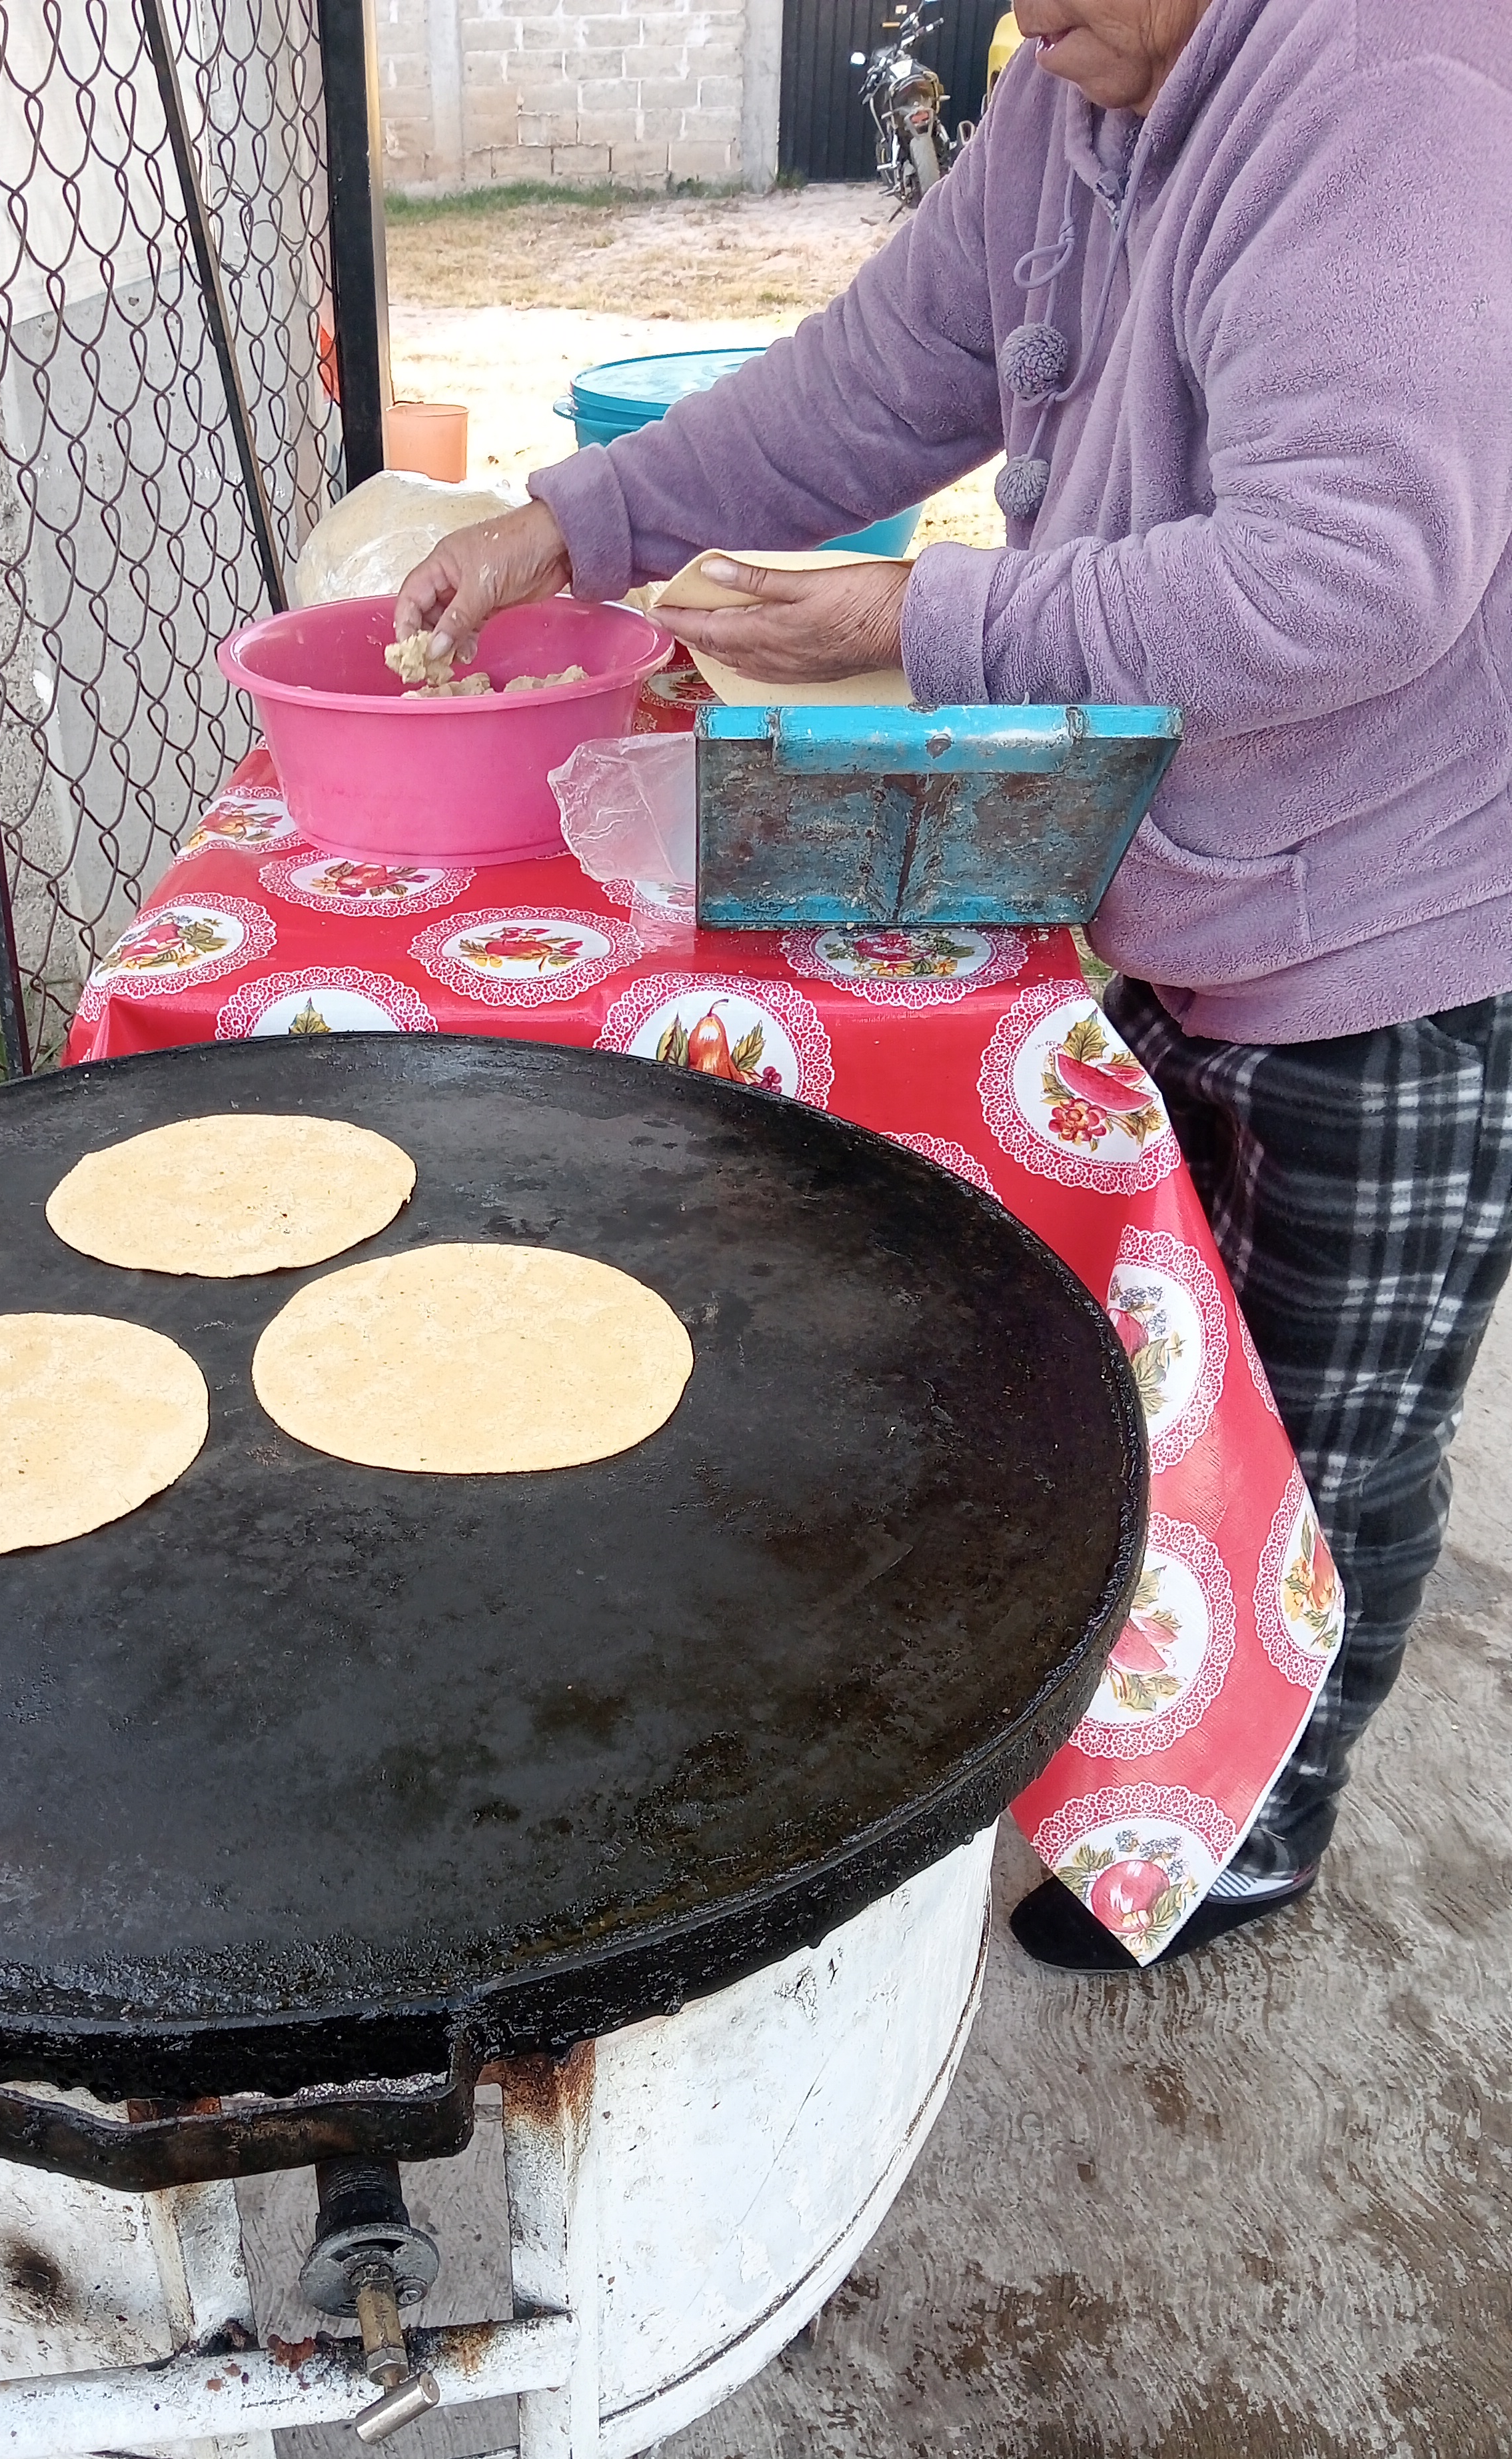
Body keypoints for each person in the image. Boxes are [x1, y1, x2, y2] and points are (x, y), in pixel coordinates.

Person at [396, 0, 1512, 1972]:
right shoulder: (1080, 89)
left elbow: (1352, 573)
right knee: (1177, 1361)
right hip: (1188, 859)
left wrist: (931, 612)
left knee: (1331, 1425)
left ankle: (1251, 1831)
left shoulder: (1389, 95)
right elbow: (877, 377)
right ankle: (1167, 1726)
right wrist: (578, 520)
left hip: (1411, 917)